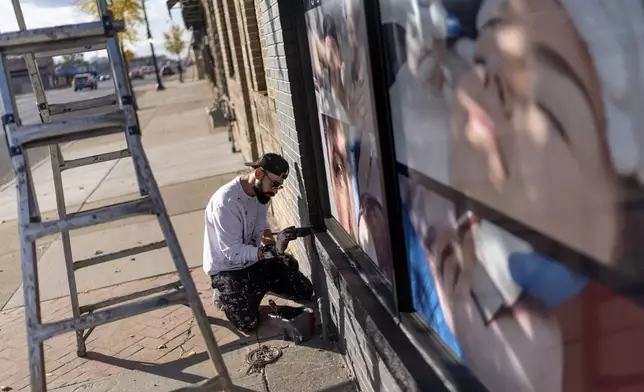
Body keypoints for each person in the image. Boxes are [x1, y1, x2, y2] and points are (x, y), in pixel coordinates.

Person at [203, 153, 314, 333]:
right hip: (228, 270)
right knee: (248, 324)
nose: (275, 191)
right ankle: (224, 295)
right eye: (274, 184)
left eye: (279, 186)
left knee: (304, 291)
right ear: (257, 174)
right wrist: (269, 251)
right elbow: (232, 252)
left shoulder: (262, 195)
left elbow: (262, 228)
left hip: (254, 261)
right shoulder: (226, 203)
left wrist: (276, 249)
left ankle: (258, 287)